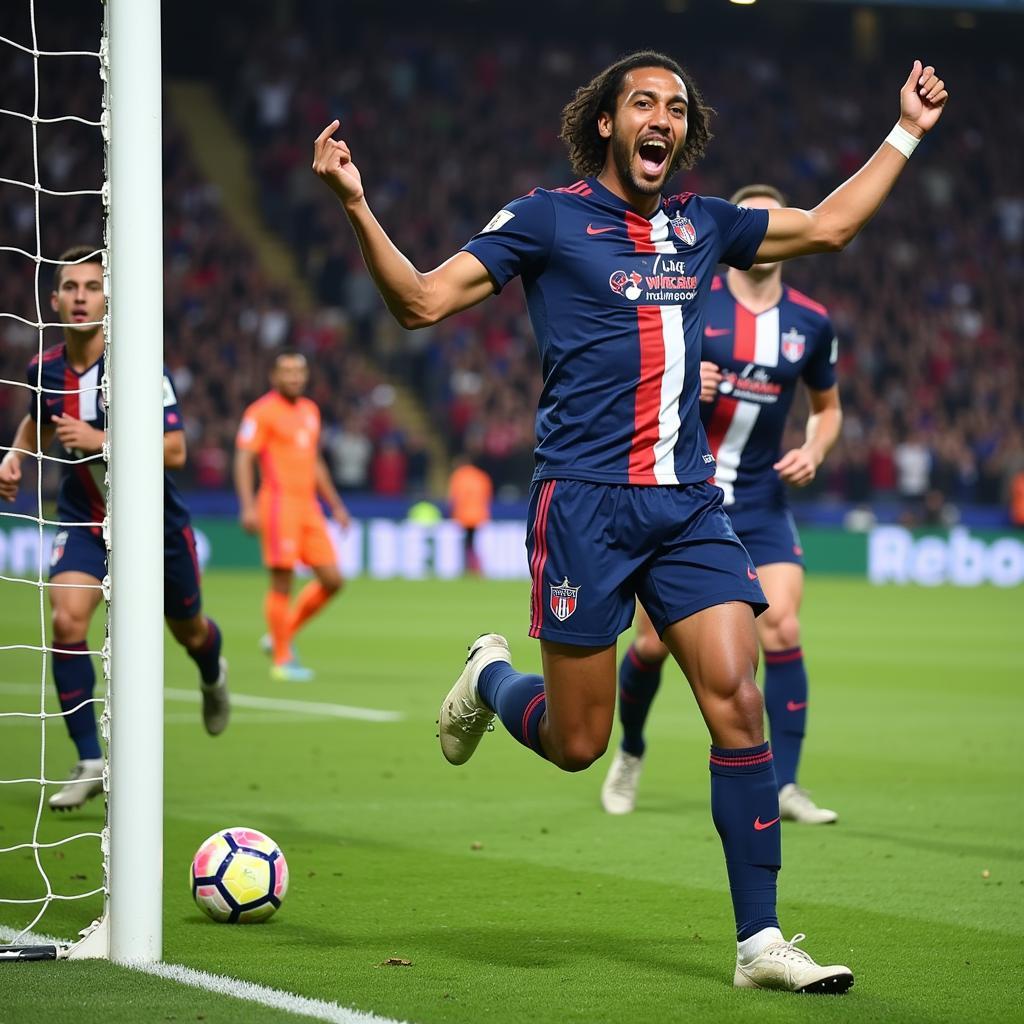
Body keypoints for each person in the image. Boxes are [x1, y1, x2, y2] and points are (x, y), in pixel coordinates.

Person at [312, 51, 946, 993]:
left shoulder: (704, 226)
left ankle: (759, 940)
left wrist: (905, 131)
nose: (662, 118)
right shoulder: (547, 218)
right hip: (585, 506)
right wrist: (357, 204)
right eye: (643, 102)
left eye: (677, 107)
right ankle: (491, 679)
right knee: (578, 744)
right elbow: (420, 302)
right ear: (606, 123)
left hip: (689, 507)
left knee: (738, 698)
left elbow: (830, 227)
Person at [602, 183, 843, 825]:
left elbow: (829, 408)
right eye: (753, 218)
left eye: (774, 216)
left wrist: (816, 448)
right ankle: (629, 749)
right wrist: (689, 382)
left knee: (783, 627)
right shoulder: (692, 302)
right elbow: (635, 380)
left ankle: (786, 786)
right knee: (650, 647)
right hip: (688, 499)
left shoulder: (811, 322)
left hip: (762, 501)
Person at [0, 246, 229, 811]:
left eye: (91, 288)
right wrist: (14, 456)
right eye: (70, 288)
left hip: (154, 522)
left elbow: (174, 450)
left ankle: (211, 670)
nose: (80, 297)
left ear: (108, 299)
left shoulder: (139, 366)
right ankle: (90, 759)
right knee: (66, 616)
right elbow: (40, 420)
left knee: (190, 630)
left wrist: (102, 441)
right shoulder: (43, 368)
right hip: (83, 518)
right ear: (53, 301)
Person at [234, 350, 350, 683]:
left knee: (333, 580)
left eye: (299, 371)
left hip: (309, 506)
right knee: (282, 581)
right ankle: (283, 660)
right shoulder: (261, 412)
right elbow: (243, 459)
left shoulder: (310, 411)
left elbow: (315, 462)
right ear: (274, 376)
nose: (294, 377)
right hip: (278, 503)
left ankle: (279, 635)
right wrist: (247, 505)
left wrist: (336, 505)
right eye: (287, 371)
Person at [448, 452, 493, 575]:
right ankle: (474, 567)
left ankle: (472, 567)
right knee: (473, 542)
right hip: (479, 515)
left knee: (468, 543)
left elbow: (455, 498)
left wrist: (453, 513)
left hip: (464, 516)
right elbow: (487, 496)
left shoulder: (458, 476)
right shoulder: (481, 476)